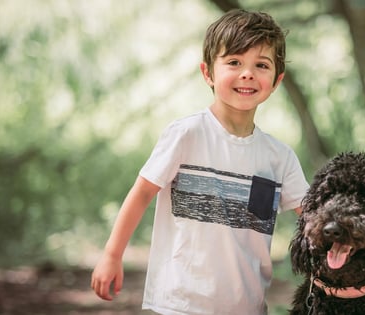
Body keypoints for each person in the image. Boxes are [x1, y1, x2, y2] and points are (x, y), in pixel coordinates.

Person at [90, 9, 309, 315]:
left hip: (246, 305)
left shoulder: (280, 157)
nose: (247, 73)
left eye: (261, 65)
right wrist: (112, 255)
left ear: (276, 80)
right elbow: (141, 194)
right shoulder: (186, 134)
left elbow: (313, 218)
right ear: (208, 73)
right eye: (234, 62)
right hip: (180, 302)